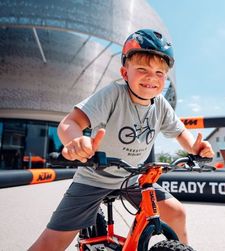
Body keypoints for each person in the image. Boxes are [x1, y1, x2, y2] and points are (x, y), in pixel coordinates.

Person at [29, 29, 214, 251]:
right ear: (125, 72)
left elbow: (180, 133)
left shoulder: (161, 105)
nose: (151, 77)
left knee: (176, 212)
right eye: (142, 69)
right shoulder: (113, 94)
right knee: (52, 243)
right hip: (94, 177)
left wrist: (195, 147)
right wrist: (76, 141)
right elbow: (70, 123)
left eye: (159, 72)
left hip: (134, 179)